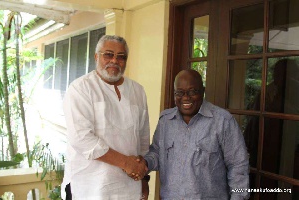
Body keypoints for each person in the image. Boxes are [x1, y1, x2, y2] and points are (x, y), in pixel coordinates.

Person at [61, 35, 150, 200]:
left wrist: (144, 178)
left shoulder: (138, 91)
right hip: (90, 187)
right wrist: (125, 163)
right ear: (96, 57)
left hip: (129, 188)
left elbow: (143, 139)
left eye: (121, 57)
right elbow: (81, 138)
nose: (115, 61)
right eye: (108, 54)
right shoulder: (80, 89)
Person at [143, 69, 250, 199]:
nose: (186, 98)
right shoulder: (165, 121)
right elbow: (156, 153)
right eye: (179, 93)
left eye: (192, 92)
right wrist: (143, 164)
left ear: (203, 91)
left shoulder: (223, 121)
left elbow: (238, 166)